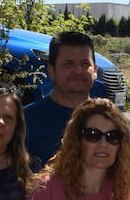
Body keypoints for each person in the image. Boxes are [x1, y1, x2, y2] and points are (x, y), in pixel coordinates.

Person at [24, 31, 97, 168]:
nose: (78, 70)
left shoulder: (109, 120)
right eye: (68, 64)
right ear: (52, 71)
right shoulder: (25, 120)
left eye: (85, 63)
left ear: (95, 71)